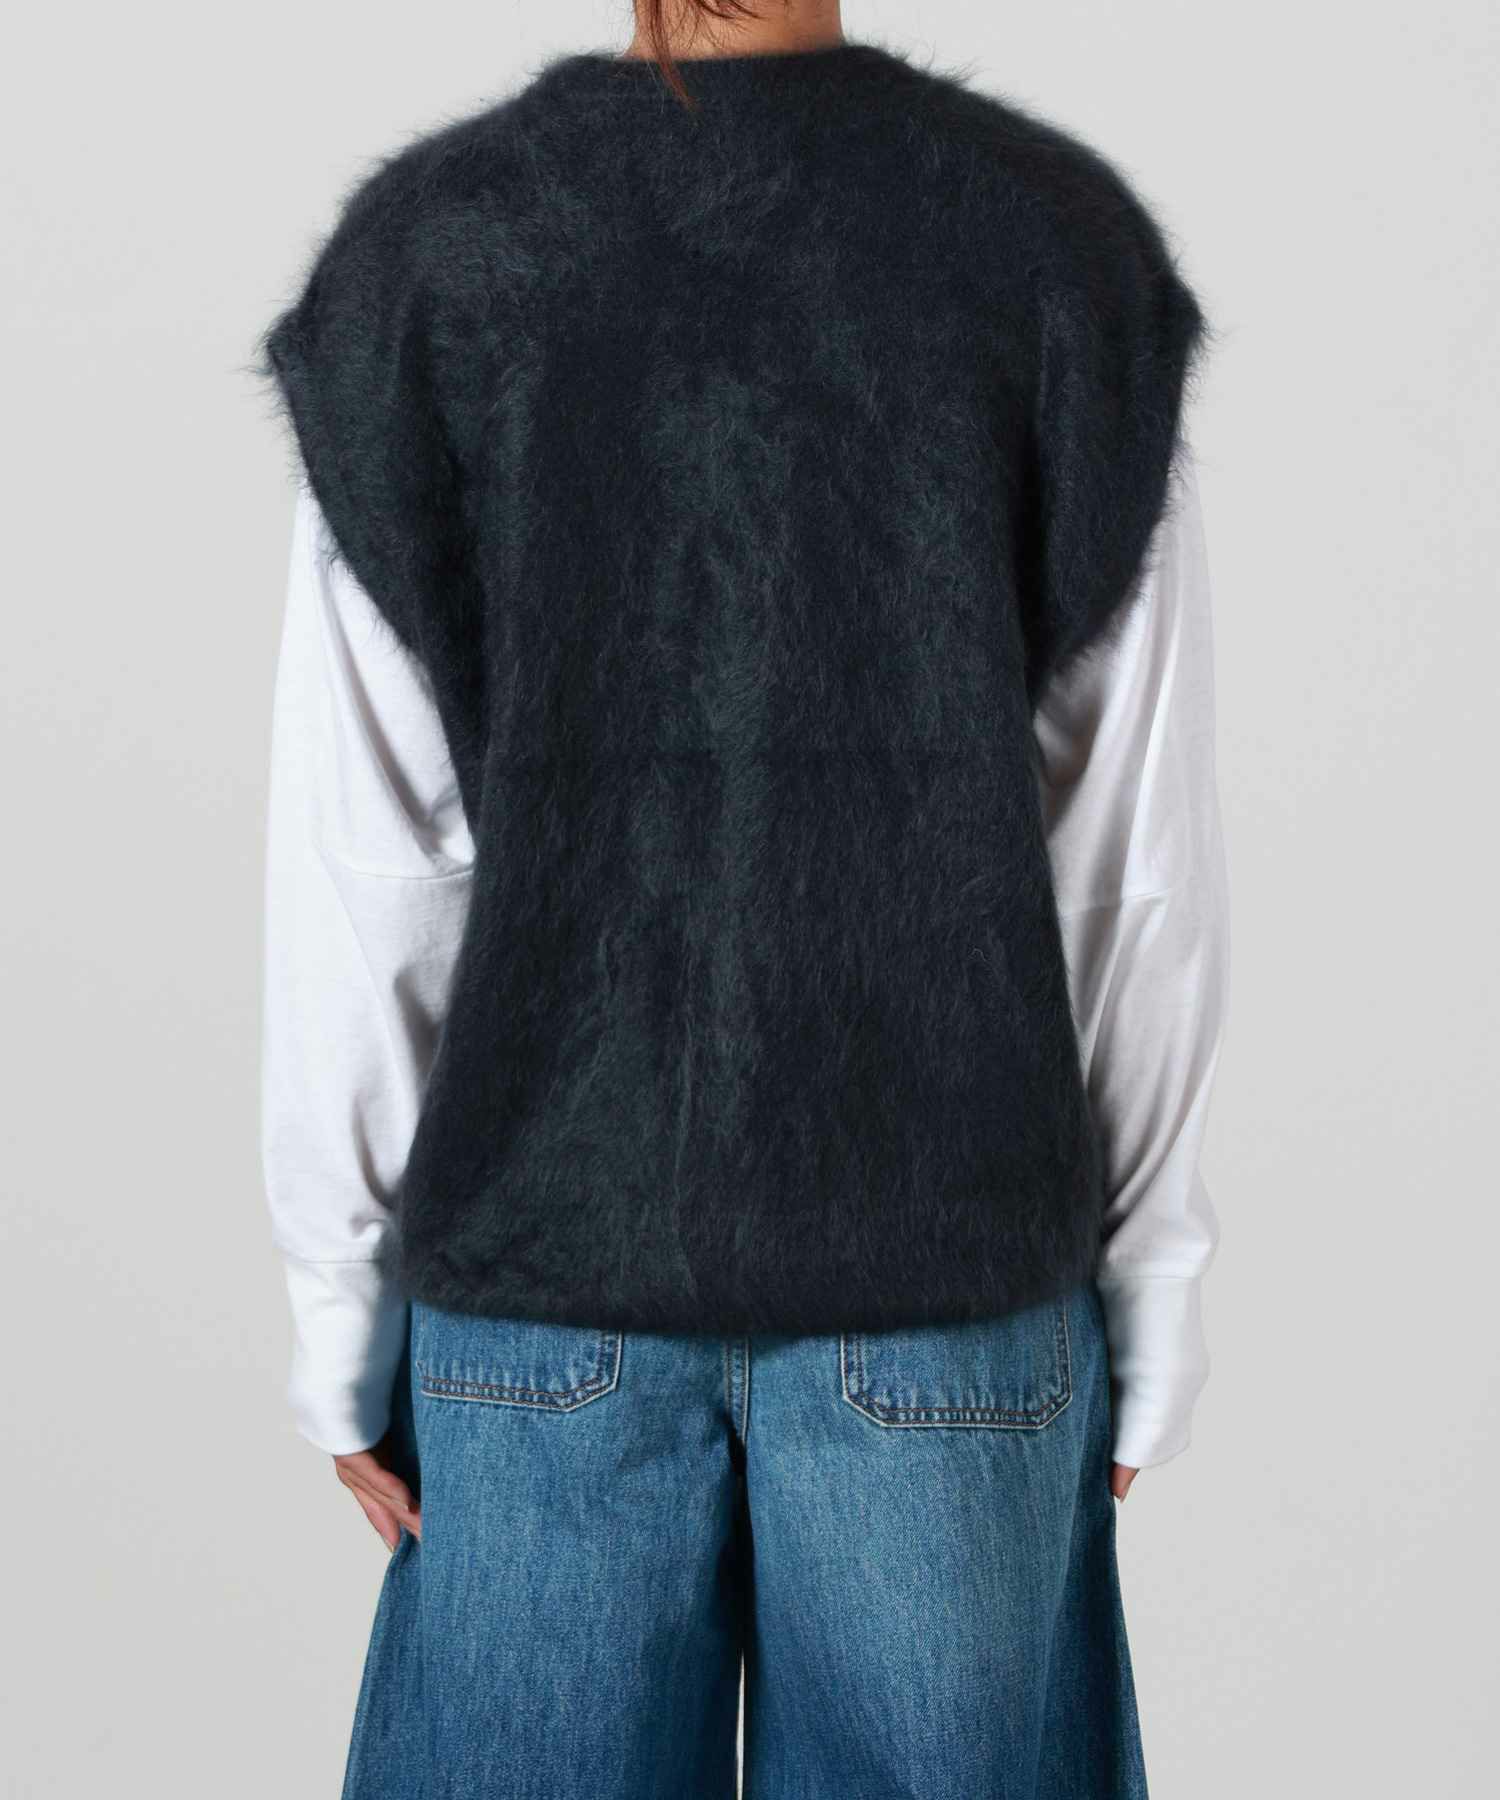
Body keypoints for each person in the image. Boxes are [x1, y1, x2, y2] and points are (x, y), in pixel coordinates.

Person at [256, 2, 1229, 1793]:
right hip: (945, 1272)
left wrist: (341, 1298)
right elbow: (1124, 865)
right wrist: (1150, 1275)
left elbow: (378, 864)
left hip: (545, 1273)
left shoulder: (437, 264)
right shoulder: (1051, 251)